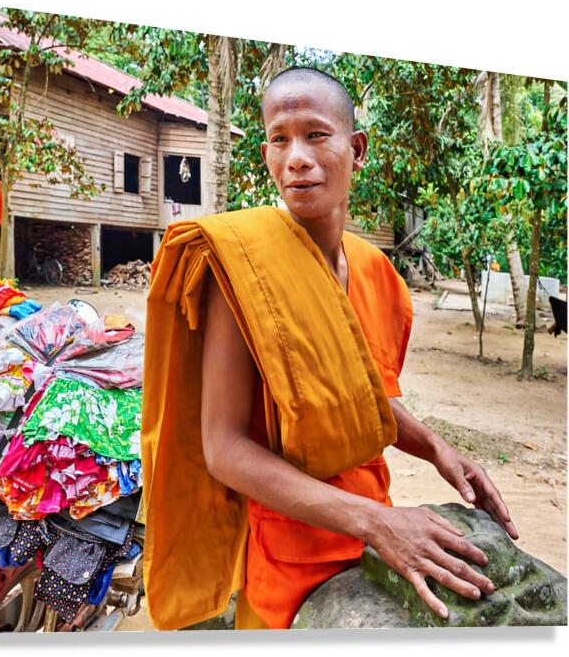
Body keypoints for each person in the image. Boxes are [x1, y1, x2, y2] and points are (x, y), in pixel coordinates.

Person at [139, 67, 518, 631]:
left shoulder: (377, 272)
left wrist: (439, 449)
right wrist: (376, 524)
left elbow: (362, 400)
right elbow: (223, 448)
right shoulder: (244, 271)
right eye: (279, 137)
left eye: (316, 134)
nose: (296, 157)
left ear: (356, 148)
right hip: (289, 551)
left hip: (377, 527)